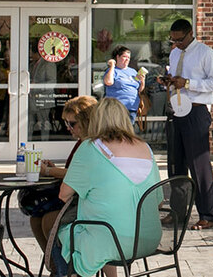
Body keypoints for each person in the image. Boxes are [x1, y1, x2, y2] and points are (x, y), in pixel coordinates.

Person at [54, 98, 162, 277]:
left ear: (95, 120)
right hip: (149, 238)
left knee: (62, 232)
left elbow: (64, 195)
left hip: (109, 241)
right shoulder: (146, 148)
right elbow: (158, 202)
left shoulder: (90, 148)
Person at [161, 19, 213, 230]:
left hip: (196, 109)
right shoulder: (175, 52)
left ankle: (207, 214)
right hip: (177, 107)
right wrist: (169, 81)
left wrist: (187, 83)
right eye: (173, 40)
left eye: (180, 40)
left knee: (199, 164)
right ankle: (178, 211)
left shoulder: (206, 53)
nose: (176, 44)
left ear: (190, 33)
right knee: (176, 163)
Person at [31, 95, 98, 253]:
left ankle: (64, 269)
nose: (68, 127)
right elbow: (74, 171)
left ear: (86, 121)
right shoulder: (82, 141)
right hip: (76, 199)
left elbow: (79, 174)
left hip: (87, 204)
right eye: (66, 123)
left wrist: (49, 171)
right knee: (36, 219)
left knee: (48, 221)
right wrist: (55, 170)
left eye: (72, 123)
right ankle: (55, 266)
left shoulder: (93, 144)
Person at [104, 45, 146, 124]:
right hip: (117, 108)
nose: (127, 59)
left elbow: (140, 89)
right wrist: (112, 65)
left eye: (129, 58)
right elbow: (108, 82)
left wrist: (142, 80)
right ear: (117, 57)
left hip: (132, 108)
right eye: (124, 57)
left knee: (128, 132)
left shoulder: (133, 71)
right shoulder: (113, 71)